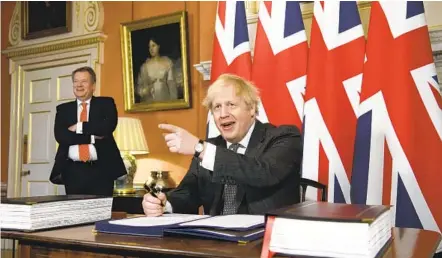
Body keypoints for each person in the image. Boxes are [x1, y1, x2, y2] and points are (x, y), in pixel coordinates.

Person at [142, 74, 302, 216]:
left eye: (231, 105)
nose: (223, 114)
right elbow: (188, 193)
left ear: (251, 108)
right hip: (216, 241)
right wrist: (164, 204)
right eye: (217, 107)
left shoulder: (284, 137)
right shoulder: (210, 147)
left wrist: (200, 148)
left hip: (264, 240)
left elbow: (263, 173)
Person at [49, 66, 126, 196]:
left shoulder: (106, 103)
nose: (79, 85)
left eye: (84, 81)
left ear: (93, 85)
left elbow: (106, 128)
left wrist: (78, 127)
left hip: (101, 169)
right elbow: (61, 136)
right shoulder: (63, 109)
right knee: (76, 212)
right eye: (76, 81)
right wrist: (91, 138)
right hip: (72, 171)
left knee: (101, 212)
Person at [136, 37, 178, 102]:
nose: (151, 49)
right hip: (151, 101)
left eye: (153, 46)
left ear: (159, 46)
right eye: (149, 47)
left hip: (165, 98)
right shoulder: (145, 66)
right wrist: (145, 90)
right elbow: (140, 88)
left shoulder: (167, 63)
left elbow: (172, 86)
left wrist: (174, 103)